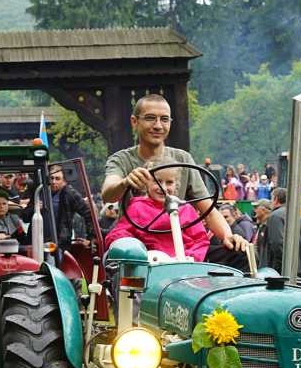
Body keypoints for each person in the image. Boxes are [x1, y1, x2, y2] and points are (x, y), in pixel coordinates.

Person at [100, 94, 240, 257]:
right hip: (141, 251)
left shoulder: (183, 159)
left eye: (164, 119)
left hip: (181, 248)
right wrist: (125, 182)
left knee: (238, 253)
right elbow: (108, 193)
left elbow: (207, 209)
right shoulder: (121, 160)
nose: (158, 125)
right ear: (134, 122)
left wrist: (228, 236)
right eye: (150, 118)